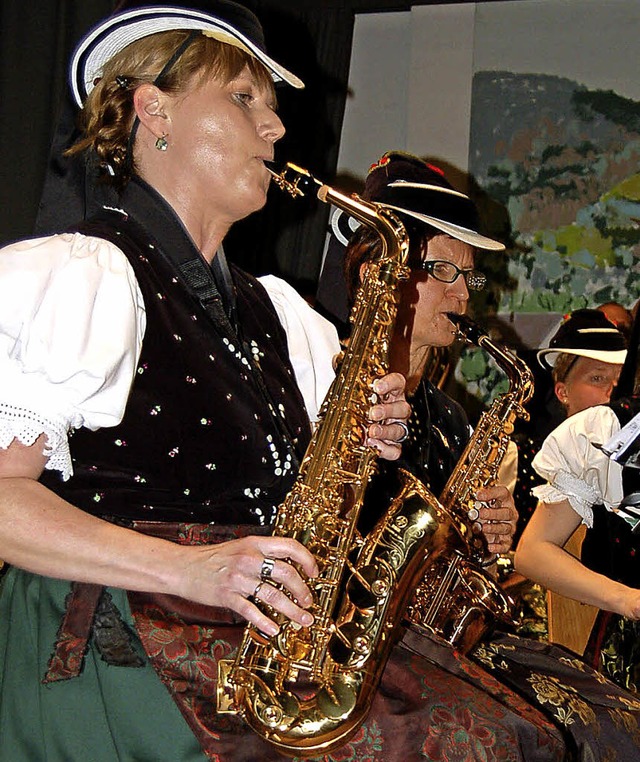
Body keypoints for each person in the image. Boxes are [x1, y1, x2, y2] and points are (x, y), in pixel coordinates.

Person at [0, 6, 540, 762]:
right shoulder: (78, 274)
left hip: (246, 637)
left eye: (273, 108)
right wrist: (192, 567)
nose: (277, 128)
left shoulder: (281, 315)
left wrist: (361, 438)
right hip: (112, 643)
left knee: (520, 735)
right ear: (153, 108)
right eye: (244, 99)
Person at [335, 150, 640, 759]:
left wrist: (486, 532)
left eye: (467, 277)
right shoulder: (326, 378)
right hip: (353, 637)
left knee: (619, 722)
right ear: (382, 272)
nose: (462, 295)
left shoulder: (451, 418)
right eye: (444, 271)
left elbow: (477, 553)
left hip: (439, 634)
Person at [516, 299, 640, 695]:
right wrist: (629, 599)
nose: (609, 391)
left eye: (615, 379)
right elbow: (531, 551)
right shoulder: (595, 436)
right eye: (597, 379)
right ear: (562, 390)